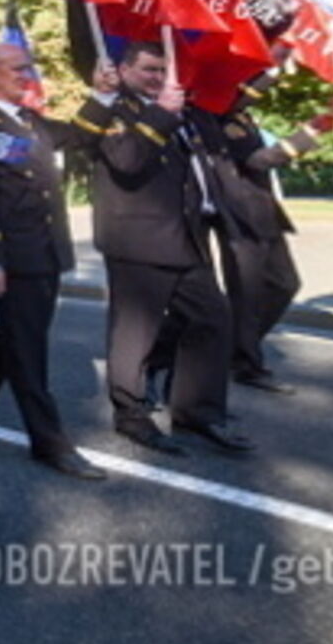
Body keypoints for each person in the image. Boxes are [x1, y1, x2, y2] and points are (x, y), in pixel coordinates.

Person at [0, 43, 106, 480]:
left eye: (28, 67)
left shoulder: (27, 121)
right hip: (13, 256)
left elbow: (81, 135)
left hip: (45, 249)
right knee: (29, 351)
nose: (27, 75)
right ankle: (50, 444)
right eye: (19, 68)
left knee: (17, 333)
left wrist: (103, 95)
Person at [92, 42, 253, 457]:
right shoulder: (114, 109)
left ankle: (196, 411)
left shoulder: (181, 110)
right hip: (136, 239)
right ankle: (130, 414)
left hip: (182, 237)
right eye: (148, 69)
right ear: (125, 70)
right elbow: (127, 161)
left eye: (163, 69)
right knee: (135, 335)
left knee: (213, 318)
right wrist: (160, 112)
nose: (157, 76)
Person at [206, 72, 333, 393]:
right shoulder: (216, 120)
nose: (252, 92)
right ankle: (246, 364)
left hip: (264, 214)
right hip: (240, 218)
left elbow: (254, 90)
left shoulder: (241, 117)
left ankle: (229, 347)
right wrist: (310, 131)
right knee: (247, 295)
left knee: (285, 284)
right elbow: (260, 160)